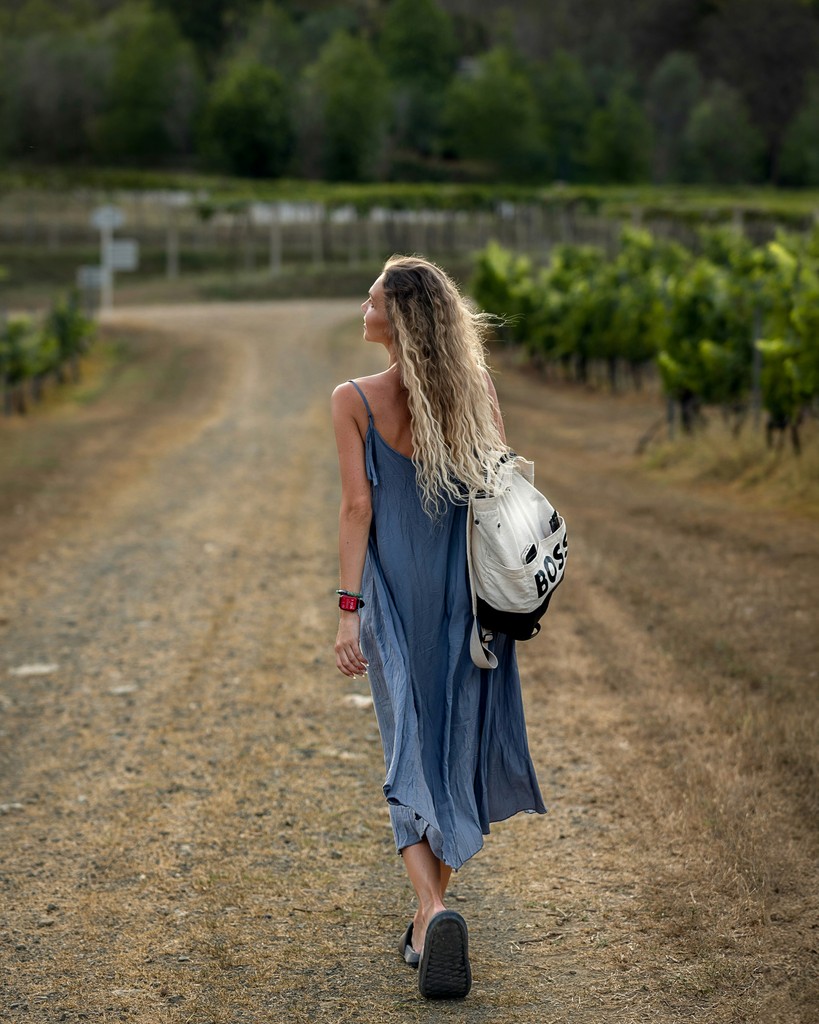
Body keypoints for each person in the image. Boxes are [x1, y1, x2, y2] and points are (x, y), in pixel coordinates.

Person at [332, 255, 546, 1000]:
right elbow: (496, 493)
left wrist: (347, 609)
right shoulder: (475, 389)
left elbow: (358, 509)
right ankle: (429, 922)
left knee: (405, 755)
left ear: (397, 318)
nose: (363, 304)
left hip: (396, 598)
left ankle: (431, 910)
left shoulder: (353, 399)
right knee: (453, 749)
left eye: (373, 296)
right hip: (468, 599)